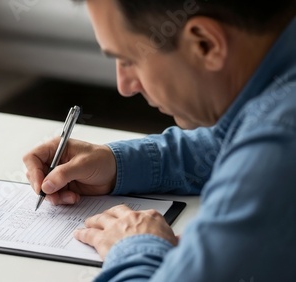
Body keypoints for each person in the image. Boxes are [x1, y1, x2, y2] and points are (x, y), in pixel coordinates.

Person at [22, 0, 296, 281]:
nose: (125, 86)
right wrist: (117, 164)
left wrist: (135, 247)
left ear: (205, 44)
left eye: (129, 59)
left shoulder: (279, 145)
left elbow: (264, 150)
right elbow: (227, 141)